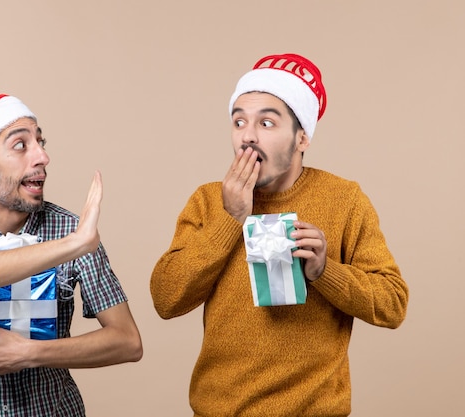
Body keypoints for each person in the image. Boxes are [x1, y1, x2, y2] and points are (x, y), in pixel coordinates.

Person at [150, 53, 408, 416]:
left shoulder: (345, 199)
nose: (248, 137)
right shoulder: (208, 200)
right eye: (238, 122)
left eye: (267, 123)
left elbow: (393, 304)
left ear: (302, 137)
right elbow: (166, 298)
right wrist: (230, 218)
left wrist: (324, 272)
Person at [0, 94, 143, 416]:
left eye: (40, 142)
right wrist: (74, 245)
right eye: (20, 146)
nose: (42, 156)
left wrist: (31, 353)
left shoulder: (70, 228)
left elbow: (127, 341)